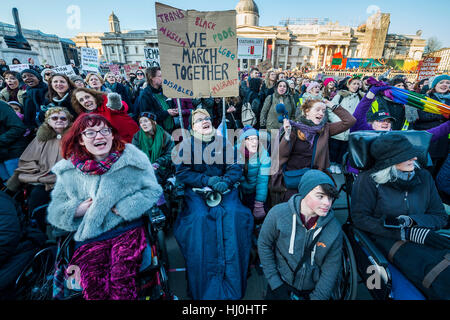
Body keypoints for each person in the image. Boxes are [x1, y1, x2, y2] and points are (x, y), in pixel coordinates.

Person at [46, 113, 163, 300]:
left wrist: (127, 206)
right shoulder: (68, 170)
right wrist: (76, 210)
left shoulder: (132, 158)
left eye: (104, 130)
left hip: (127, 230)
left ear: (112, 134)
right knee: (93, 285)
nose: (99, 136)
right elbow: (56, 211)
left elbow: (152, 190)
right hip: (90, 236)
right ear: (81, 140)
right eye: (90, 133)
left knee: (121, 279)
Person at [350, 133, 450, 300]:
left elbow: (439, 216)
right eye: (406, 156)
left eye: (413, 153)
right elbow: (360, 218)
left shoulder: (424, 177)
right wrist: (402, 232)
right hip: (387, 238)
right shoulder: (367, 180)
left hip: (426, 235)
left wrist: (413, 222)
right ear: (389, 161)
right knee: (440, 274)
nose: (414, 158)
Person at [173, 109, 253, 300]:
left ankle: (233, 274)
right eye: (200, 120)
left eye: (207, 118)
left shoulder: (223, 142)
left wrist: (226, 181)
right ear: (193, 126)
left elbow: (235, 165)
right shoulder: (186, 146)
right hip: (197, 193)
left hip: (225, 190)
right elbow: (182, 173)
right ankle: (206, 281)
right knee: (200, 219)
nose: (205, 121)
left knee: (235, 215)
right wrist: (205, 181)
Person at [258, 169, 343, 300]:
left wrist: (317, 298)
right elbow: (264, 245)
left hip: (313, 290)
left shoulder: (334, 230)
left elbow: (330, 271)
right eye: (320, 196)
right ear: (304, 193)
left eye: (330, 197)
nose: (327, 203)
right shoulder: (278, 214)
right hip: (281, 283)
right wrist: (275, 283)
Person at [270, 99, 356, 205]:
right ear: (307, 111)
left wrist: (332, 105)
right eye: (318, 110)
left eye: (324, 111)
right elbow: (280, 155)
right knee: (295, 206)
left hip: (315, 176)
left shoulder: (325, 129)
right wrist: (287, 136)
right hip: (293, 176)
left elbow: (350, 121)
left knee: (320, 204)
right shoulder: (293, 128)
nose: (321, 113)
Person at [6, 107, 73, 231]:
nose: (59, 120)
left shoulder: (75, 137)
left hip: (68, 182)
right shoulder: (40, 139)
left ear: (68, 121)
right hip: (43, 180)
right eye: (54, 118)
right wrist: (38, 170)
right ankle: (42, 234)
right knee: (37, 201)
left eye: (63, 118)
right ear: (48, 121)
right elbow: (27, 160)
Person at [413, 74, 450, 177]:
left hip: (445, 143)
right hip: (429, 140)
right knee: (426, 171)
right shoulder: (426, 98)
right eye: (441, 82)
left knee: (440, 173)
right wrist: (445, 114)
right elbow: (422, 115)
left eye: (447, 83)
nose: (444, 85)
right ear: (434, 85)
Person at [72, 87, 138, 143]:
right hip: (117, 145)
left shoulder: (106, 101)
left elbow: (123, 107)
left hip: (134, 137)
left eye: (87, 97)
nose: (85, 101)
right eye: (81, 100)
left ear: (94, 97)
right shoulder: (85, 118)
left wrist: (118, 105)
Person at [328, 76, 364, 174]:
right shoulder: (340, 96)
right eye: (354, 84)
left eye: (358, 84)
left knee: (344, 149)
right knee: (334, 148)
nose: (356, 86)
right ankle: (331, 164)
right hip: (338, 126)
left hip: (351, 128)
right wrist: (338, 121)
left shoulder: (360, 97)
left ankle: (339, 164)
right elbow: (330, 109)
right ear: (348, 85)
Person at [236, 125, 271, 222]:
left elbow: (262, 181)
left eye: (256, 139)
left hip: (255, 191)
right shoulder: (236, 152)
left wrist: (259, 204)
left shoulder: (263, 154)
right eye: (250, 139)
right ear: (244, 141)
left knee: (260, 216)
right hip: (240, 191)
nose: (254, 142)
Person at [132, 112, 175, 184]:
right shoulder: (137, 137)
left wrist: (158, 163)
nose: (143, 124)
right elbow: (135, 154)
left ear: (154, 122)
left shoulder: (165, 136)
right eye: (141, 122)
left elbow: (171, 154)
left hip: (162, 167)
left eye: (146, 121)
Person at [138, 67, 179, 133]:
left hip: (171, 128)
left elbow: (169, 106)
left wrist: (174, 110)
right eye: (160, 76)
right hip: (159, 132)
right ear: (152, 78)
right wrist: (166, 113)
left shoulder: (164, 91)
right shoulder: (145, 95)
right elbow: (147, 117)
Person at [0, 101, 28, 183]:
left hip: (13, 153)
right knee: (7, 188)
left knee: (19, 185)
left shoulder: (2, 106)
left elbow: (18, 127)